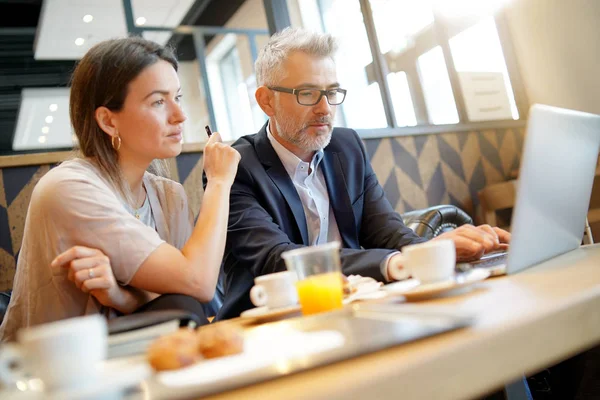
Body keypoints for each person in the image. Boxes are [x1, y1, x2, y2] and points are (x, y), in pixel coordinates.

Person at [213, 28, 510, 320]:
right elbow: (277, 260)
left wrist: (436, 253)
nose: (325, 109)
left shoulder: (347, 147)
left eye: (331, 92)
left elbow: (387, 231)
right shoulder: (235, 168)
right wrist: (396, 263)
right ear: (266, 101)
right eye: (307, 93)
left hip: (358, 310)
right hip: (272, 325)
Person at [0, 37, 240, 342]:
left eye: (177, 97)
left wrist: (121, 296)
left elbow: (180, 299)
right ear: (108, 121)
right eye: (157, 101)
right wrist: (218, 182)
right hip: (49, 375)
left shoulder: (169, 197)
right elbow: (199, 281)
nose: (180, 115)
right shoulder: (68, 189)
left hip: (131, 358)